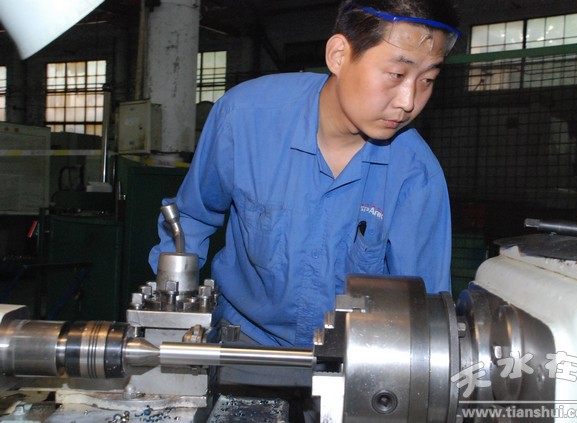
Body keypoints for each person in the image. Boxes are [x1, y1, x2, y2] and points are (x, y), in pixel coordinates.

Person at [149, 0, 460, 394]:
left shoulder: (415, 174)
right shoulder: (245, 118)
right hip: (247, 352)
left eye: (427, 80)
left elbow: (423, 309)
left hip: (358, 369)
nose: (408, 101)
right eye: (397, 74)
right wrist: (170, 318)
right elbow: (192, 218)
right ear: (339, 55)